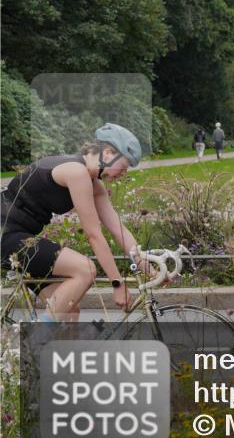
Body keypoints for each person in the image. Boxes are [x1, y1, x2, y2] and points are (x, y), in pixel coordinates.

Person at [0, 124, 153, 321]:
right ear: (107, 153)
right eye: (123, 166)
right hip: (6, 234)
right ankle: (37, 335)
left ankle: (45, 340)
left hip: (20, 236)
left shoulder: (94, 184)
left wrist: (149, 268)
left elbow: (118, 229)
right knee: (85, 269)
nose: (123, 174)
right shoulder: (76, 172)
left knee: (69, 313)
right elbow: (93, 235)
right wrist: (117, 283)